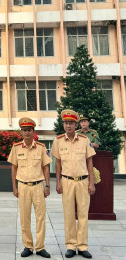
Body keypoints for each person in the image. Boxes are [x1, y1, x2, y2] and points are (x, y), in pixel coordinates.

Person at [51, 109, 96, 259]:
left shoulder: (84, 140)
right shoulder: (58, 141)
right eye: (66, 123)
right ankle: (70, 245)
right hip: (67, 181)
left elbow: (89, 161)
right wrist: (57, 182)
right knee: (69, 214)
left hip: (83, 181)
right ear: (63, 124)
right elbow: (57, 163)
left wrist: (92, 182)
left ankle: (82, 246)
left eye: (71, 123)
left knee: (83, 214)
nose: (68, 126)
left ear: (76, 124)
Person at [8, 118, 52, 258]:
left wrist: (47, 186)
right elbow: (14, 168)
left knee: (41, 217)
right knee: (24, 218)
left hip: (38, 185)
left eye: (29, 130)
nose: (27, 133)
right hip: (23, 186)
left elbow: (46, 167)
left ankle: (40, 247)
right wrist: (14, 187)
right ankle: (28, 246)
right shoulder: (16, 148)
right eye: (24, 130)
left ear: (34, 132)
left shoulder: (41, 148)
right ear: (21, 132)